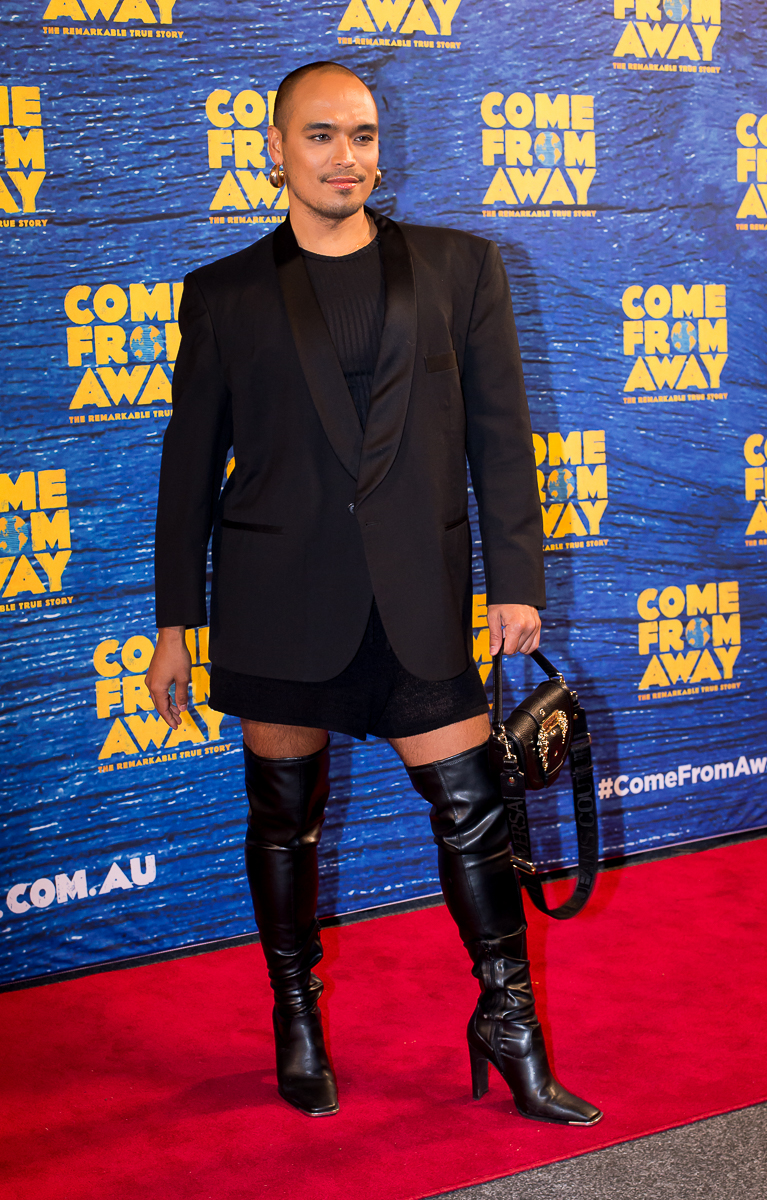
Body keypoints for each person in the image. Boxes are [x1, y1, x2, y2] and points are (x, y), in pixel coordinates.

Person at [146, 60, 601, 1127]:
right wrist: (174, 624)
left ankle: (509, 1025)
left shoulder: (458, 267)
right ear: (274, 150)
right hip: (275, 597)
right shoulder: (223, 293)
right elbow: (187, 466)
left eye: (360, 135)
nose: (344, 156)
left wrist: (515, 582)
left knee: (474, 813)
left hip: (416, 597)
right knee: (284, 820)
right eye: (319, 135)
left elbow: (501, 437)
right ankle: (295, 1014)